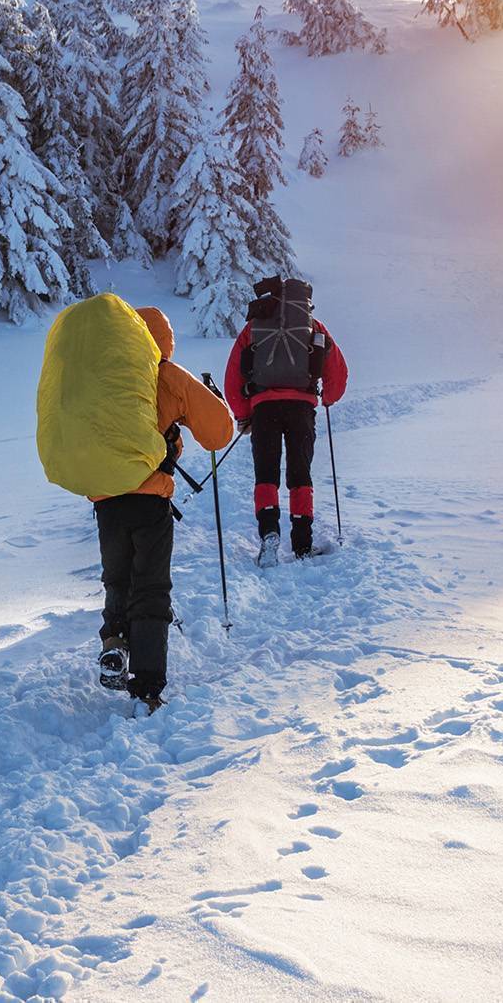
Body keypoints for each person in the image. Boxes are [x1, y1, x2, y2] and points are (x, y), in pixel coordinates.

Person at [84, 306, 234, 707]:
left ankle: (115, 642)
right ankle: (147, 685)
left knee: (118, 579)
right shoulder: (166, 375)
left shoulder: (102, 378)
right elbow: (219, 431)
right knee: (150, 587)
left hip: (106, 500)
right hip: (150, 500)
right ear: (163, 340)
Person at [222, 278, 350, 558]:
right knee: (300, 474)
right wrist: (327, 397)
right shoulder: (313, 327)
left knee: (266, 472)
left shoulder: (254, 327)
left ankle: (269, 534)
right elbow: (337, 372)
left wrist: (243, 415)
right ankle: (302, 543)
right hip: (301, 408)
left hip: (264, 408)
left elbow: (233, 377)